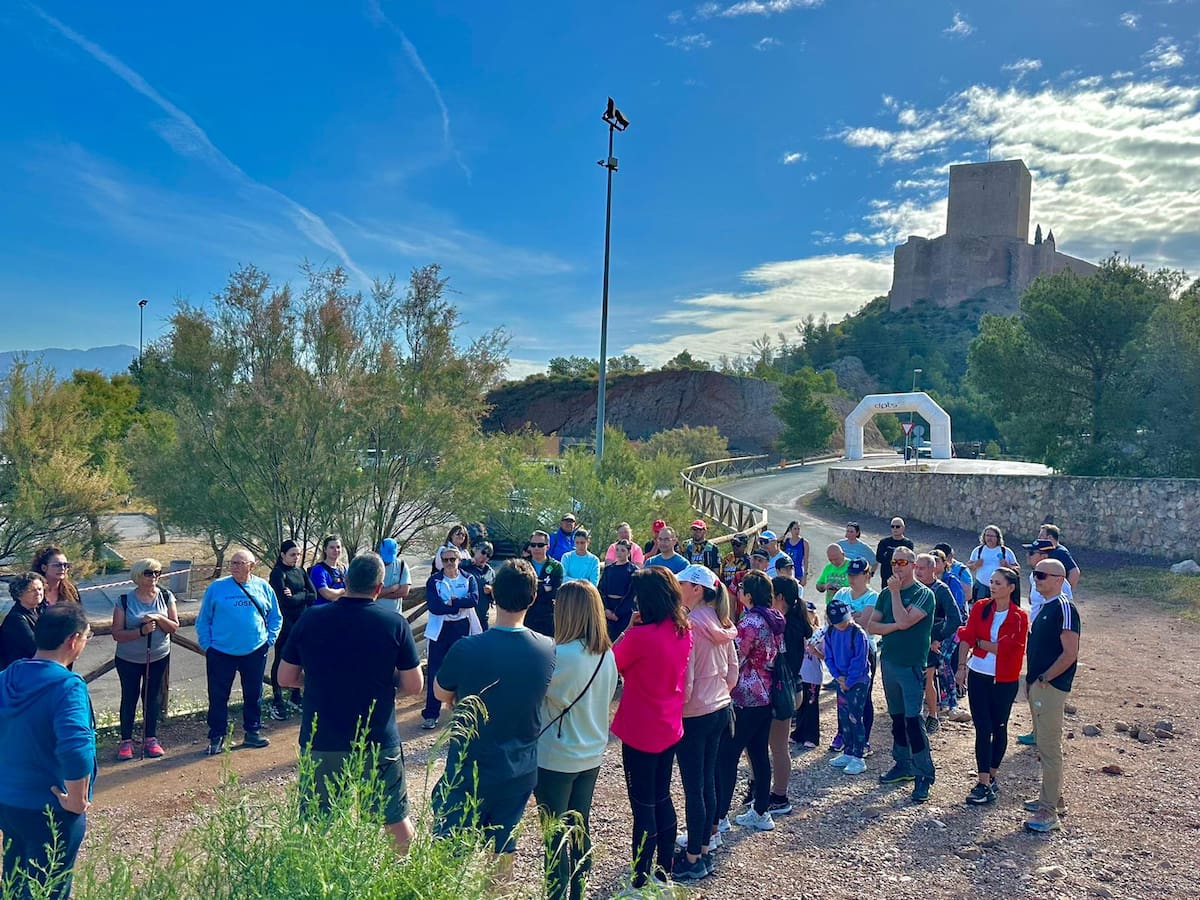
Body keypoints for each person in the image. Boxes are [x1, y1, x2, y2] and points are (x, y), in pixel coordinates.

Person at [278, 552, 424, 854]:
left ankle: (316, 876)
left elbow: (285, 677)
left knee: (316, 824)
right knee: (395, 820)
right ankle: (403, 873)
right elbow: (414, 685)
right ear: (379, 588)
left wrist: (317, 680)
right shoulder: (394, 623)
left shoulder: (311, 619)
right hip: (377, 738)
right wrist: (383, 681)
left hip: (323, 737)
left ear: (346, 581)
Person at [432, 560, 556, 865]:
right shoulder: (547, 648)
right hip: (519, 769)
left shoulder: (466, 648)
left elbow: (439, 692)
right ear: (533, 598)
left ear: (493, 593)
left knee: (449, 855)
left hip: (468, 768)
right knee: (502, 852)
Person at [0, 604, 95, 900]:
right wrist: (77, 799)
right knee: (47, 889)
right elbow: (76, 747)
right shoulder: (67, 686)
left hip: (8, 802)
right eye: (86, 637)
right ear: (73, 640)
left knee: (13, 882)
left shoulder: (7, 677)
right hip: (51, 807)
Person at [534, 582, 618, 900]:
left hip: (556, 755)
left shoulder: (557, 656)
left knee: (554, 838)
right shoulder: (607, 655)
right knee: (581, 831)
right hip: (591, 753)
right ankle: (578, 894)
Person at [611, 567, 693, 889]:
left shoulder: (641, 636)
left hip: (640, 729)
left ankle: (640, 879)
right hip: (668, 724)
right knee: (662, 797)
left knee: (642, 805)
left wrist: (626, 631)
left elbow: (612, 663)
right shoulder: (683, 630)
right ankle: (663, 872)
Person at [672, 565, 737, 881]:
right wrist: (721, 692)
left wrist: (678, 708)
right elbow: (733, 669)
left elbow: (686, 678)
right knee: (708, 779)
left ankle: (693, 857)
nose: (678, 587)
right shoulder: (720, 621)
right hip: (720, 706)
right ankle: (705, 848)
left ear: (696, 589)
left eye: (682, 583)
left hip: (696, 712)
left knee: (694, 787)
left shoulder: (691, 624)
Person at [864, 546, 937, 803]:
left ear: (913, 565)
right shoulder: (886, 594)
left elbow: (906, 621)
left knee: (913, 721)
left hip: (911, 665)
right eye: (894, 562)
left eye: (903, 562)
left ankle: (923, 774)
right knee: (896, 718)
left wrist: (896, 595)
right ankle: (902, 763)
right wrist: (896, 625)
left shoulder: (923, 594)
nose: (897, 566)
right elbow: (872, 625)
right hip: (890, 662)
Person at [715, 571, 783, 833]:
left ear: (750, 594)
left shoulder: (750, 622)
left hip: (747, 693)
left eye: (742, 587)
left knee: (728, 754)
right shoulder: (775, 618)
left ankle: (720, 816)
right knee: (758, 753)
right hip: (767, 691)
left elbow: (736, 656)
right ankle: (761, 811)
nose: (739, 590)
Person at [197, 549, 283, 755]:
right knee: (218, 696)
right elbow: (203, 619)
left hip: (255, 650)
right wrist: (207, 645)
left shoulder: (263, 587)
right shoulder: (217, 588)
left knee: (253, 694)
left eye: (239, 563)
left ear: (252, 566)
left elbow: (275, 617)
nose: (234, 566)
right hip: (221, 651)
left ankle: (252, 732)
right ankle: (217, 736)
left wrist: (269, 640)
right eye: (232, 563)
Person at [955, 567, 1028, 805]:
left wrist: (979, 642)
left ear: (1011, 587)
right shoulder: (980, 607)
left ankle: (992, 775)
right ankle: (983, 782)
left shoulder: (1019, 616)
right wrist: (961, 667)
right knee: (982, 728)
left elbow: (1008, 649)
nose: (993, 586)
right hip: (978, 674)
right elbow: (966, 637)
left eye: (998, 583)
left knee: (999, 726)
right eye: (992, 582)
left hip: (1004, 679)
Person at [1022, 559, 1080, 834]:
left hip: (1051, 687)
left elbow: (1070, 653)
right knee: (1043, 745)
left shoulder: (1065, 608)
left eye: (1042, 575)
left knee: (1049, 746)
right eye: (1035, 574)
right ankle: (1053, 798)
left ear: (1059, 579)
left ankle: (1049, 811)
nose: (1036, 579)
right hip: (1039, 685)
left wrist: (1045, 678)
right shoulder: (1046, 607)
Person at [111, 558, 180, 761]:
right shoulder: (124, 600)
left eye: (157, 573)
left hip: (158, 656)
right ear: (138, 575)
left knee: (152, 697)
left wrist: (158, 618)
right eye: (149, 573)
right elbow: (117, 633)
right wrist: (141, 631)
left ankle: (151, 738)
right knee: (129, 697)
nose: (154, 577)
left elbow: (174, 626)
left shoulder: (166, 596)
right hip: (128, 659)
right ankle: (126, 741)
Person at [422, 545, 483, 729]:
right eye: (445, 560)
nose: (449, 563)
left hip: (462, 627)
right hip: (440, 629)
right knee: (435, 670)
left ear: (458, 560)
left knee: (462, 669)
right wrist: (457, 606)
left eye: (452, 559)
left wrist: (453, 602)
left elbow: (474, 599)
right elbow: (434, 606)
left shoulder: (468, 578)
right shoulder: (434, 580)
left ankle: (461, 712)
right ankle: (431, 714)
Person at [828, 558, 878, 755]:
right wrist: (853, 616)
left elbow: (864, 623)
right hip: (841, 650)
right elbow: (831, 619)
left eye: (856, 575)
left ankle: (863, 740)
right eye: (850, 574)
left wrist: (848, 618)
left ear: (866, 575)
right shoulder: (841, 593)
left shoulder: (872, 597)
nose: (852, 578)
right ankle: (843, 735)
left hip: (863, 650)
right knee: (842, 697)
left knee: (863, 697)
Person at [766, 575, 807, 814]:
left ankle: (780, 797)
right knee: (774, 746)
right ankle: (768, 792)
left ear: (779, 597)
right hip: (793, 688)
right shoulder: (796, 620)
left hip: (783, 690)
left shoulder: (784, 625)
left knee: (778, 747)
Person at [915, 553, 963, 735]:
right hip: (913, 640)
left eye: (922, 568)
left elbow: (955, 618)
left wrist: (939, 638)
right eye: (916, 568)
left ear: (932, 569)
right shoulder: (912, 587)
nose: (918, 572)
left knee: (929, 678)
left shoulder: (941, 590)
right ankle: (914, 715)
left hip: (931, 641)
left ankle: (934, 715)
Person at [269, 540, 317, 720]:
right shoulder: (277, 573)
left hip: (302, 621)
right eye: (292, 554)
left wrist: (299, 594)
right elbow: (285, 601)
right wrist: (302, 594)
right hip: (285, 624)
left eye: (297, 554)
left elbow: (313, 595)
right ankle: (277, 699)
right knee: (281, 659)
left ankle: (295, 695)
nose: (296, 558)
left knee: (301, 659)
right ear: (282, 555)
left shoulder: (300, 571)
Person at [823, 599, 871, 776]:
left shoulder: (858, 633)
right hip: (841, 679)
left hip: (857, 681)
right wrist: (837, 677)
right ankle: (848, 751)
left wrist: (848, 681)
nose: (842, 625)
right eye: (838, 622)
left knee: (855, 717)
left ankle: (859, 756)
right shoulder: (830, 632)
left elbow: (860, 661)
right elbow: (828, 657)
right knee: (843, 716)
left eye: (844, 620)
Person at [793, 602, 824, 749]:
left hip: (813, 676)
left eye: (809, 613)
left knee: (811, 706)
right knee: (800, 705)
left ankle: (812, 736)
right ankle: (798, 733)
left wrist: (815, 652)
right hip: (800, 674)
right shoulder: (798, 631)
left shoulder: (820, 634)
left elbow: (826, 656)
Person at [1, 574, 44, 672]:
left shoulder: (40, 611)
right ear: (19, 595)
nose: (38, 593)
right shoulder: (16, 619)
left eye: (40, 589)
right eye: (32, 590)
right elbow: (35, 647)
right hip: (21, 672)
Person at [526, 531, 565, 638]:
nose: (536, 548)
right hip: (526, 615)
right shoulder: (522, 565)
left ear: (547, 547)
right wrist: (543, 588)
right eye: (533, 545)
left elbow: (555, 592)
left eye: (540, 545)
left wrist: (534, 589)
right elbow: (520, 591)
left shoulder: (556, 567)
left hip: (547, 616)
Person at [597, 540, 638, 642]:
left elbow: (632, 594)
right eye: (617, 550)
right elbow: (601, 590)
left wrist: (618, 612)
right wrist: (606, 609)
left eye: (623, 550)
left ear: (628, 553)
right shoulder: (609, 569)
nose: (619, 553)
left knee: (621, 640)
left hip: (624, 610)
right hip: (608, 607)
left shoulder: (634, 571)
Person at [967, 525, 1018, 601]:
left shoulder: (1006, 551)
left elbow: (1017, 569)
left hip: (1000, 588)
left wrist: (1007, 566)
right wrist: (975, 565)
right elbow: (969, 567)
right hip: (981, 587)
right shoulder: (978, 550)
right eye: (987, 535)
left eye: (992, 536)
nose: (989, 538)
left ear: (997, 538)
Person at [460, 541, 495, 630]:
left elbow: (496, 595)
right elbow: (451, 566)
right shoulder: (465, 567)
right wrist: (468, 562)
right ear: (475, 550)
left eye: (488, 555)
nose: (485, 556)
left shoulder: (490, 572)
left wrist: (491, 590)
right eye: (483, 552)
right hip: (465, 617)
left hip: (483, 617)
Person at [1038, 524, 1081, 591]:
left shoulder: (1060, 552)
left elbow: (1075, 572)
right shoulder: (1048, 550)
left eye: (1041, 536)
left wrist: (1066, 591)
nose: (1038, 538)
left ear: (1049, 537)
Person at [875, 518, 914, 587]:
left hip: (902, 577)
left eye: (897, 526)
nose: (895, 529)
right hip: (886, 576)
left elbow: (908, 560)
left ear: (903, 528)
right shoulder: (884, 542)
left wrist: (889, 556)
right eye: (892, 526)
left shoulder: (908, 544)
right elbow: (879, 558)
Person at [377, 538, 412, 616]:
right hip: (375, 614)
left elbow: (404, 592)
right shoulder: (373, 565)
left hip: (395, 614)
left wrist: (379, 594)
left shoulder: (402, 566)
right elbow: (368, 591)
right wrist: (391, 589)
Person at [309, 534, 347, 605]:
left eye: (338, 547)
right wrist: (343, 591)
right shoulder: (318, 570)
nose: (336, 550)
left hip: (341, 608)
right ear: (325, 549)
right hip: (323, 609)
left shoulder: (344, 569)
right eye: (332, 547)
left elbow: (352, 589)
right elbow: (327, 594)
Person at [781, 521, 812, 586]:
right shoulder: (786, 542)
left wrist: (805, 576)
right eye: (795, 529)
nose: (797, 531)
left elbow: (806, 560)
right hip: (786, 573)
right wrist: (779, 541)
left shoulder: (804, 543)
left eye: (798, 529)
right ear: (790, 530)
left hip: (798, 573)